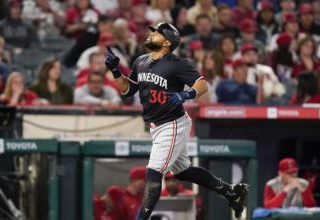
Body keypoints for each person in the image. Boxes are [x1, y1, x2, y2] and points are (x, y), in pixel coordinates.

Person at [105, 22, 249, 220]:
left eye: (156, 32)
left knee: (154, 174)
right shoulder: (141, 61)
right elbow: (129, 90)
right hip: (156, 125)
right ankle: (230, 191)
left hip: (172, 123)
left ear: (166, 42)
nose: (151, 33)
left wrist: (186, 94)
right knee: (183, 171)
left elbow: (202, 85)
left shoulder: (177, 63)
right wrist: (115, 71)